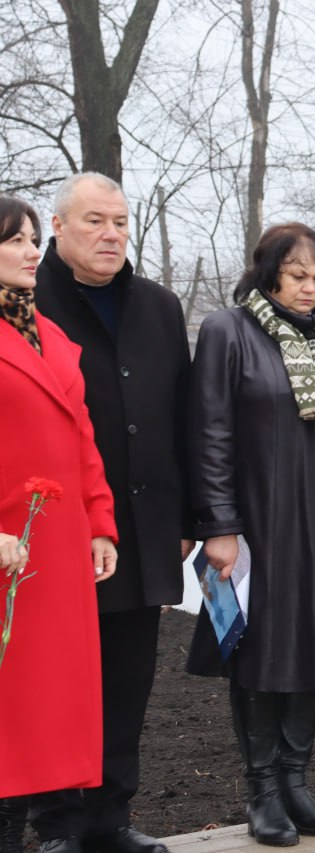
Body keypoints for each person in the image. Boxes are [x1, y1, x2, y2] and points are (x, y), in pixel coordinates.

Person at [186, 223, 315, 846]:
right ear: (268, 273)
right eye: (297, 275)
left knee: (314, 652)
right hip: (257, 527)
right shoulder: (229, 331)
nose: (308, 288)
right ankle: (262, 791)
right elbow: (210, 432)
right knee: (260, 652)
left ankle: (296, 782)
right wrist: (219, 525)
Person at [30, 173, 191, 853]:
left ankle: (110, 817)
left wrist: (189, 518)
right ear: (58, 227)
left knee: (128, 682)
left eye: (120, 222)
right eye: (94, 221)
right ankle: (57, 823)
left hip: (144, 529)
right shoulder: (26, 302)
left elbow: (184, 416)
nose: (111, 234)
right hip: (56, 529)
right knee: (58, 684)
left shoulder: (158, 306)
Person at [0, 197, 118, 844]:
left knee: (46, 701)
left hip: (56, 546)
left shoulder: (48, 335)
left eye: (31, 239)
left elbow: (82, 440)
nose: (30, 251)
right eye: (14, 240)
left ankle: (50, 828)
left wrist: (99, 523)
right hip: (5, 547)